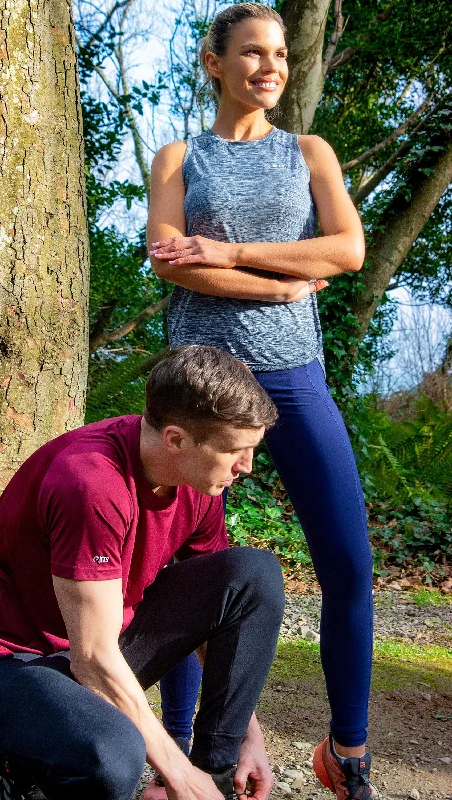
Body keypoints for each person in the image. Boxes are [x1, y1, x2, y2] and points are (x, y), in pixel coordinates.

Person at [146, 4, 374, 800]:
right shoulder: (179, 156)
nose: (268, 66)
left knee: (347, 561)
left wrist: (233, 251)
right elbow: (172, 264)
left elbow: (346, 249)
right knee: (187, 570)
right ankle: (177, 754)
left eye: (278, 53)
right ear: (214, 63)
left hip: (294, 378)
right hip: (198, 381)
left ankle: (346, 751)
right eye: (250, 52)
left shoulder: (308, 151)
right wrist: (281, 287)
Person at [0, 345, 285, 800]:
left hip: (91, 650)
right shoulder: (91, 481)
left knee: (253, 575)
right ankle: (32, 767)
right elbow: (93, 658)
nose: (247, 467)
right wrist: (178, 771)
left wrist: (246, 738)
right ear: (176, 439)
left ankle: (216, 782)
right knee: (113, 753)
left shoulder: (199, 480)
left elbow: (218, 615)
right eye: (235, 452)